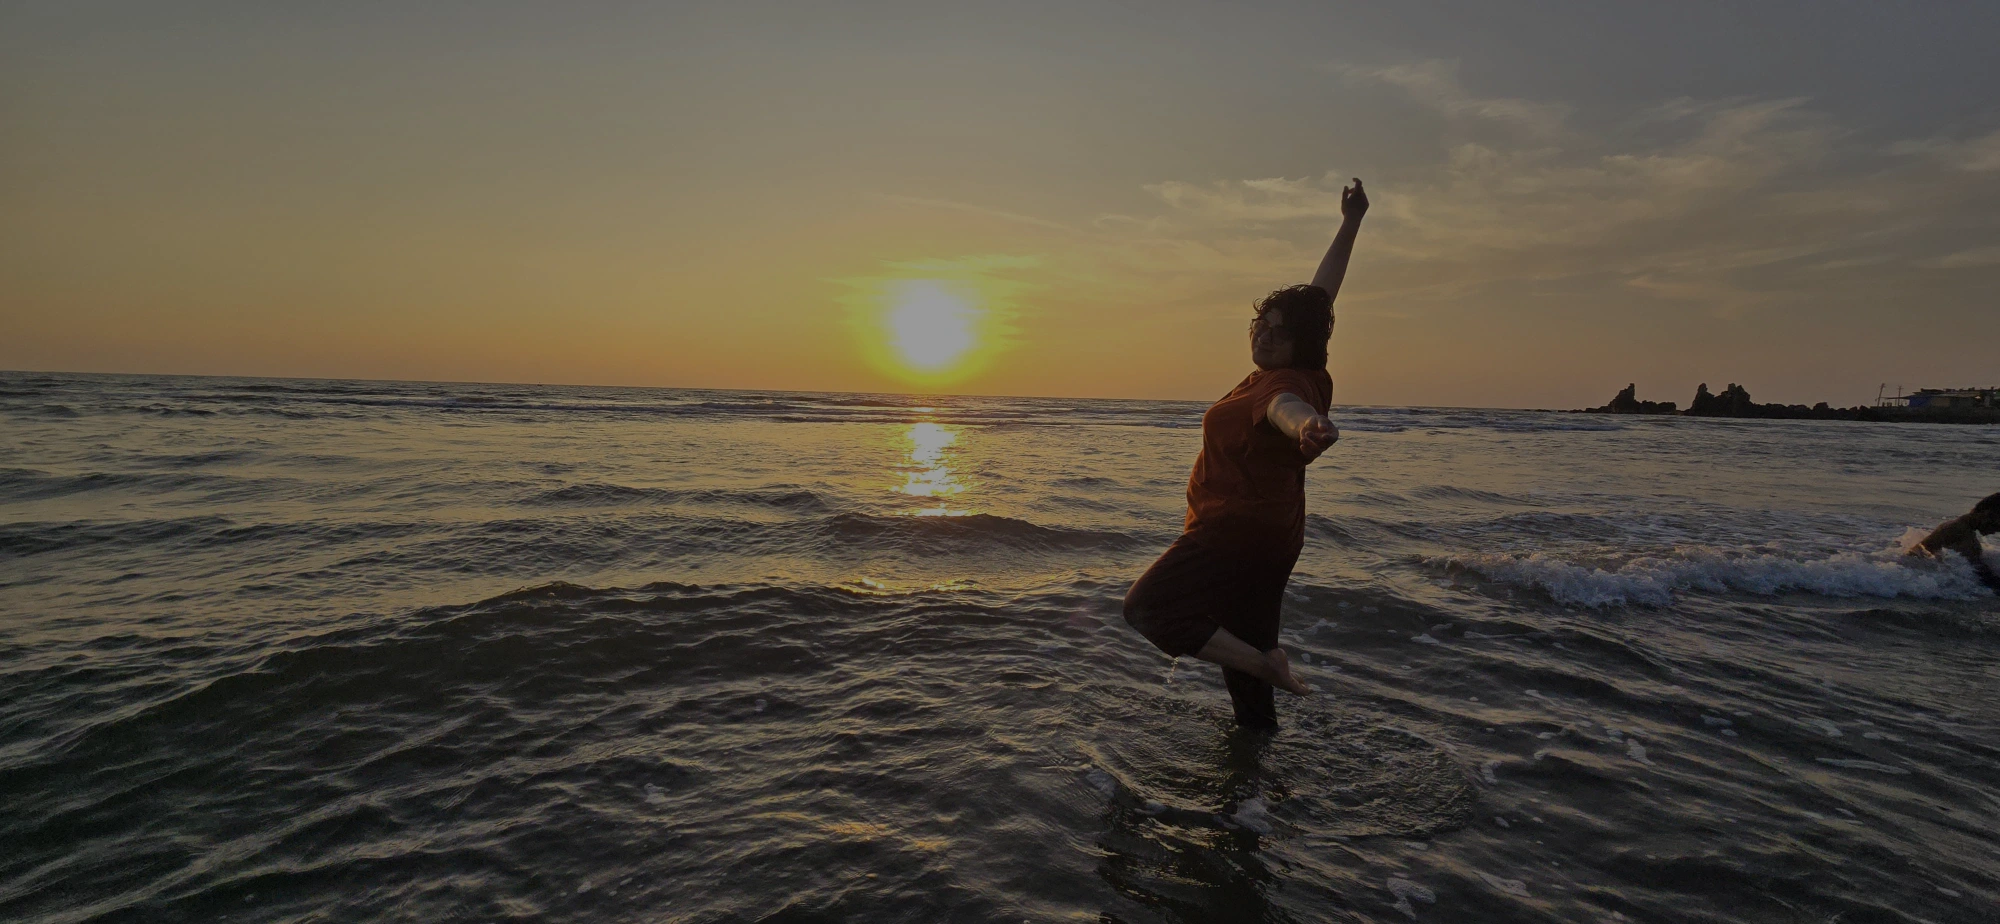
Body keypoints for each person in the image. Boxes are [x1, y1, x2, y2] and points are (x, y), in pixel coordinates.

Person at [1122, 178, 1368, 729]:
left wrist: (1308, 427)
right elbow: (1321, 296)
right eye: (1260, 325)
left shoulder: (1279, 384)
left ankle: (1266, 667)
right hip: (1275, 539)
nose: (1262, 336)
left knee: (1147, 608)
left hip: (1230, 533)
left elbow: (1285, 409)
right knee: (1249, 702)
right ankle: (1259, 797)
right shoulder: (1309, 371)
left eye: (1276, 334)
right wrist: (1351, 223)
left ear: (1297, 345)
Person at [1909, 493, 2000, 593]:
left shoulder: (1965, 531)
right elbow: (1916, 553)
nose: (1998, 529)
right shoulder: (1956, 528)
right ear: (1988, 514)